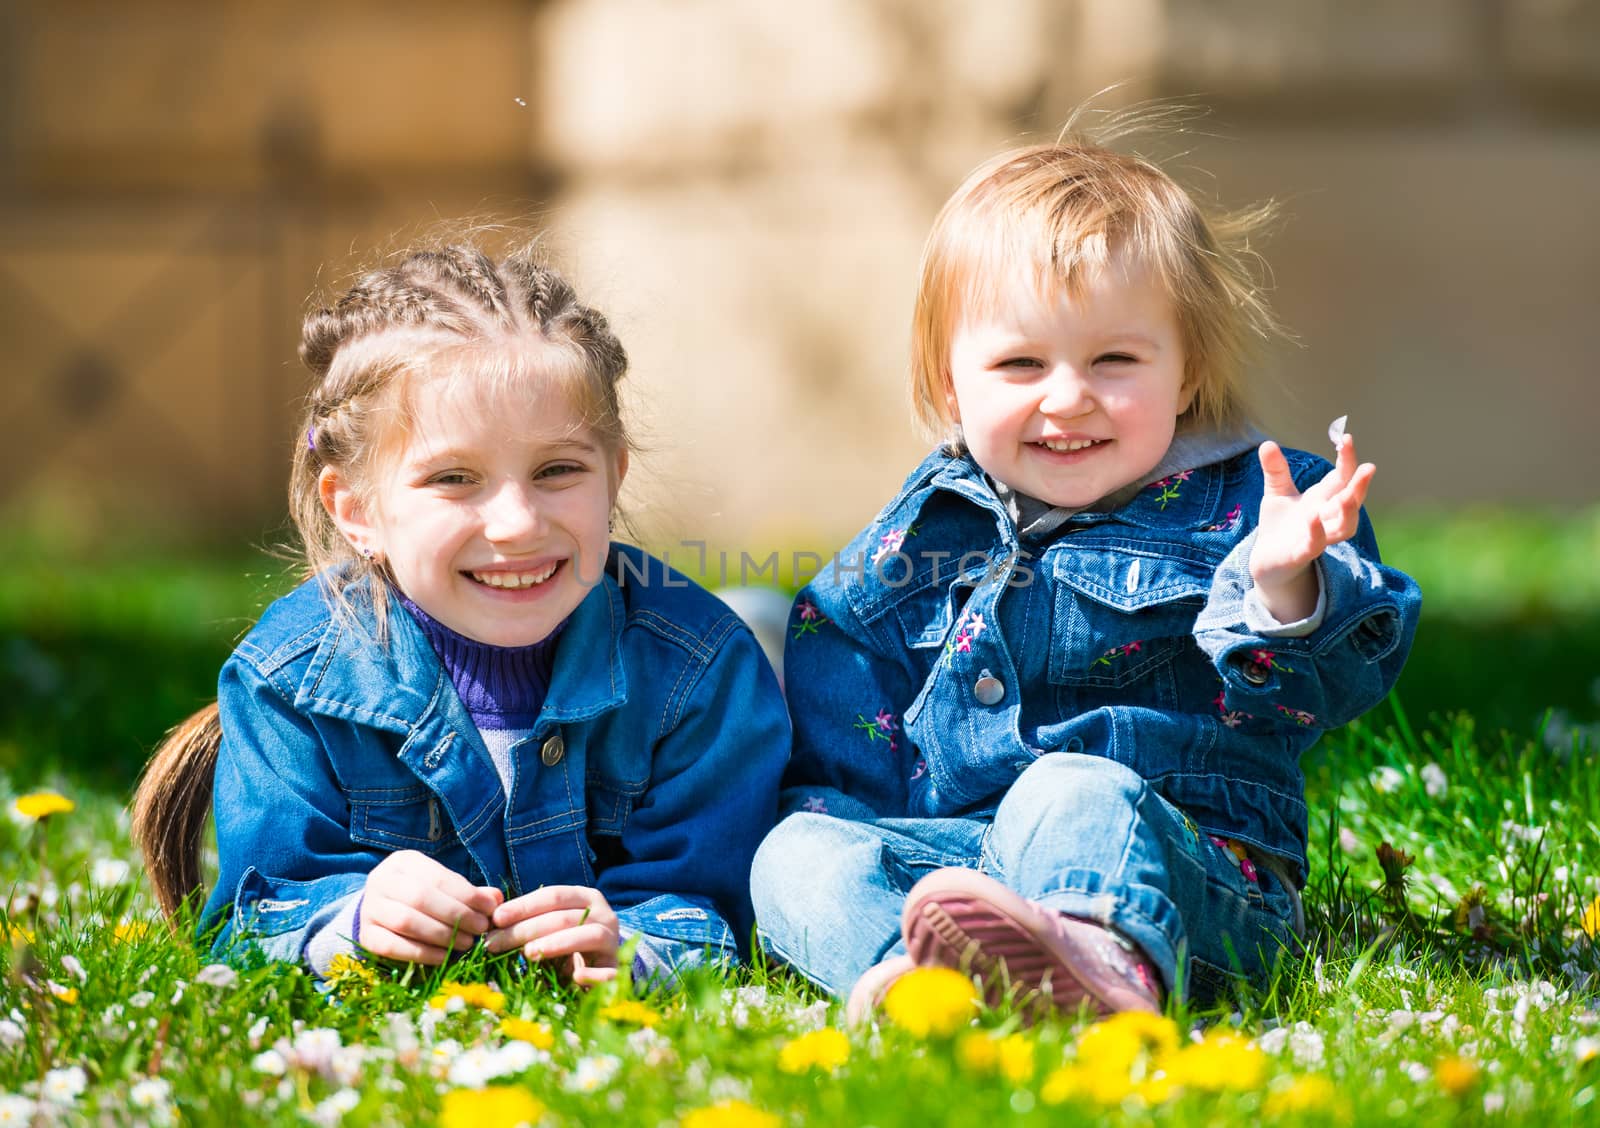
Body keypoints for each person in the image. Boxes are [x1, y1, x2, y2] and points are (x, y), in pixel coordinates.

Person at [751, 124, 1422, 1020]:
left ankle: (1098, 971)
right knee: (792, 853)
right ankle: (920, 982)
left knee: (1070, 787)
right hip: (965, 863)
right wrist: (851, 831)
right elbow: (846, 676)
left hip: (1181, 872)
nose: (1066, 396)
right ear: (952, 387)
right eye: (1020, 363)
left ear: (1186, 374)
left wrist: (1281, 586)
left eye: (1114, 360)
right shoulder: (925, 527)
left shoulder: (1254, 508)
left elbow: (1330, 684)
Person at [132, 243, 790, 984]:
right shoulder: (290, 678)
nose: (515, 522)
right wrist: (351, 921)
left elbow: (717, 906)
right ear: (356, 512)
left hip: (731, 675)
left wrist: (638, 947)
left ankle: (774, 644)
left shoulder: (696, 671)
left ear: (614, 477)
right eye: (454, 478)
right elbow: (259, 915)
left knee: (756, 667)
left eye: (558, 471)